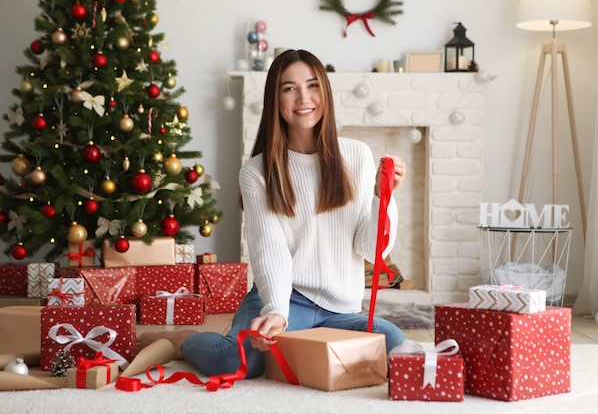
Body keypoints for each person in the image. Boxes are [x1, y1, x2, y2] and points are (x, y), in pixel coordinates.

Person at [136, 49, 407, 379]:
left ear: (325, 92)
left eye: (312, 86)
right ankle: (181, 341)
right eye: (289, 88)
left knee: (394, 341)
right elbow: (270, 251)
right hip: (288, 299)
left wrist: (384, 197)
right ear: (275, 99)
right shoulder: (258, 172)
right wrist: (276, 311)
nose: (303, 98)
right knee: (234, 362)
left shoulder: (357, 156)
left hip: (341, 310)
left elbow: (372, 250)